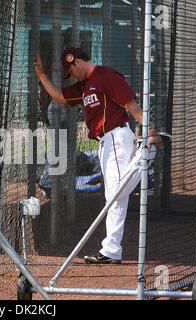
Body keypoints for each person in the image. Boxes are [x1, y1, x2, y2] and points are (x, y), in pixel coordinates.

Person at [34, 47, 163, 264]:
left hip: (117, 137)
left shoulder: (106, 76)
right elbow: (61, 97)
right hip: (105, 143)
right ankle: (112, 250)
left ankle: (146, 155)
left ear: (77, 62)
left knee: (116, 194)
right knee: (115, 197)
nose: (71, 75)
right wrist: (42, 77)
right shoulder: (84, 86)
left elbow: (131, 105)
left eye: (71, 71)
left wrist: (150, 130)